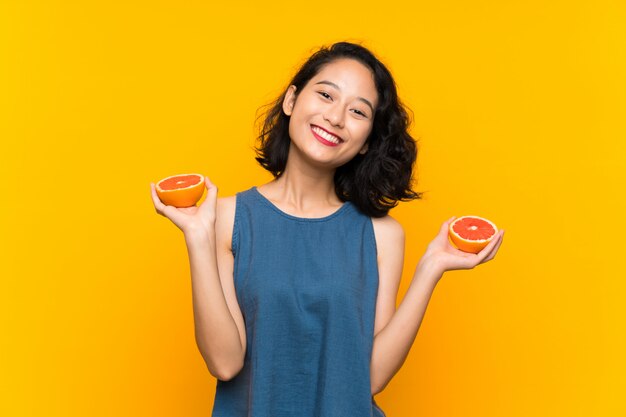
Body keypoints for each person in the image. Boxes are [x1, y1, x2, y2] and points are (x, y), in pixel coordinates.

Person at [150, 41, 504, 417]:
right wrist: (198, 239)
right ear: (291, 101)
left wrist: (430, 269)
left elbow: (368, 377)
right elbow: (225, 363)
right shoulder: (226, 217)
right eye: (325, 95)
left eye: (357, 111)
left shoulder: (381, 235)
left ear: (368, 141)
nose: (336, 117)